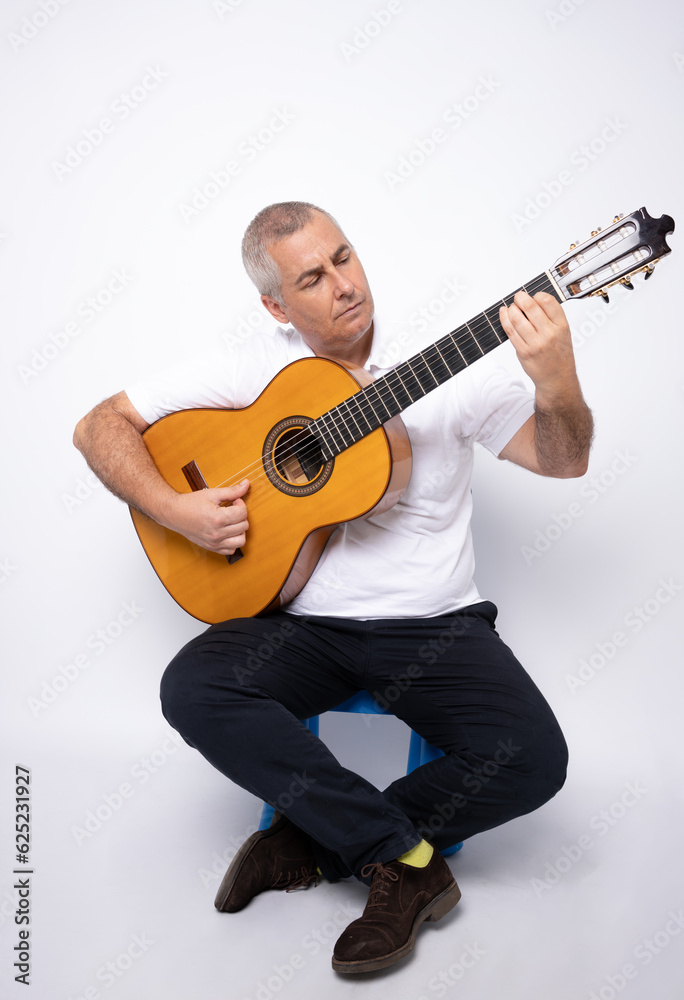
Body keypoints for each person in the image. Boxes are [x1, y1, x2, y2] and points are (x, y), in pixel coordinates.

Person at [73, 201, 593, 975]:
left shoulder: (443, 364)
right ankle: (405, 862)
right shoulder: (254, 367)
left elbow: (565, 458)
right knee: (194, 686)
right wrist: (175, 509)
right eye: (312, 278)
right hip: (305, 626)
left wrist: (557, 382)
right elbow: (99, 426)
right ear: (277, 306)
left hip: (434, 624)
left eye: (344, 258)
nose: (344, 284)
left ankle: (318, 838)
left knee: (534, 759)